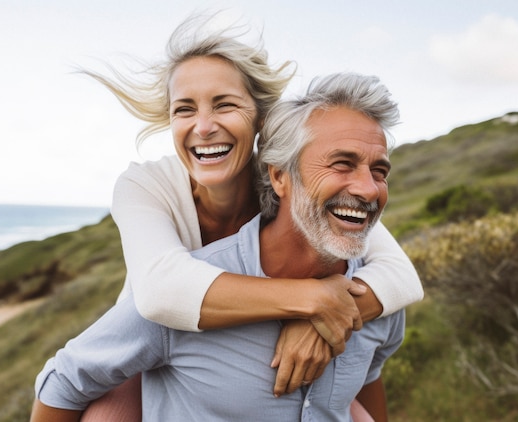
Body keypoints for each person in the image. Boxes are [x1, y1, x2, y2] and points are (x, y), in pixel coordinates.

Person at [77, 11, 422, 419]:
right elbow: (158, 295)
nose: (203, 126)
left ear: (261, 117)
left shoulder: (293, 179)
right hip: (151, 344)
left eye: (224, 104)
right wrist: (311, 302)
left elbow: (399, 275)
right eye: (183, 110)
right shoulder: (147, 185)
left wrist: (322, 321)